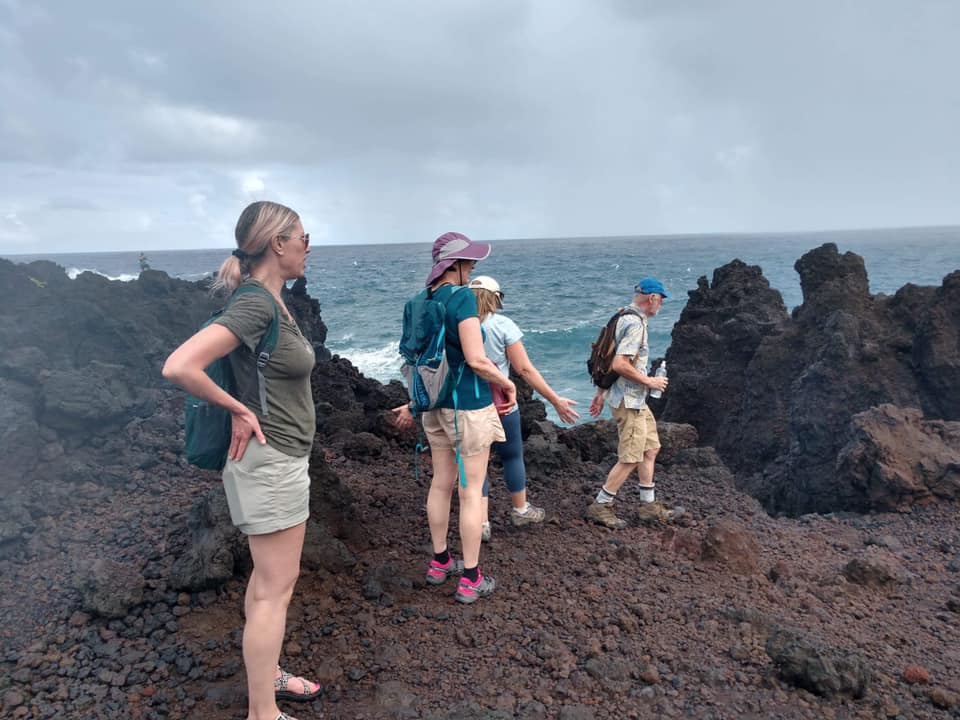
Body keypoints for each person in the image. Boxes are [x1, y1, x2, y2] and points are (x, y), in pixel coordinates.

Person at [162, 201, 319, 720]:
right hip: (270, 465)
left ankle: (265, 674)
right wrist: (236, 408)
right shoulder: (256, 304)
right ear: (278, 243)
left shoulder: (271, 300)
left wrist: (243, 406)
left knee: (266, 582)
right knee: (276, 589)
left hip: (277, 460)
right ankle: (263, 713)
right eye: (303, 236)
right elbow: (181, 366)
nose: (308, 245)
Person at [392, 232, 516, 604]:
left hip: (432, 406)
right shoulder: (462, 297)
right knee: (471, 490)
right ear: (454, 264)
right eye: (469, 261)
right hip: (468, 407)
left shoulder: (416, 302)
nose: (474, 267)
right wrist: (506, 383)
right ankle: (471, 578)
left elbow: (411, 359)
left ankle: (440, 561)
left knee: (441, 482)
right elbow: (477, 359)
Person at [467, 275, 580, 541]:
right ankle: (520, 510)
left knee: (476, 465)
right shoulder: (503, 325)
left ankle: (481, 523)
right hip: (503, 403)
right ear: (496, 298)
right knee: (512, 456)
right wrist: (555, 400)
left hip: (470, 405)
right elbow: (525, 369)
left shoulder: (460, 326)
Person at [586, 277, 682, 529]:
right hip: (629, 401)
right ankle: (601, 505)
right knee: (630, 456)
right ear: (652, 298)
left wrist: (600, 393)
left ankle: (648, 505)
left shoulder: (621, 316)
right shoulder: (635, 324)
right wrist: (650, 382)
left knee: (650, 448)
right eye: (660, 300)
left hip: (631, 399)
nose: (660, 305)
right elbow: (619, 364)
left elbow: (606, 358)